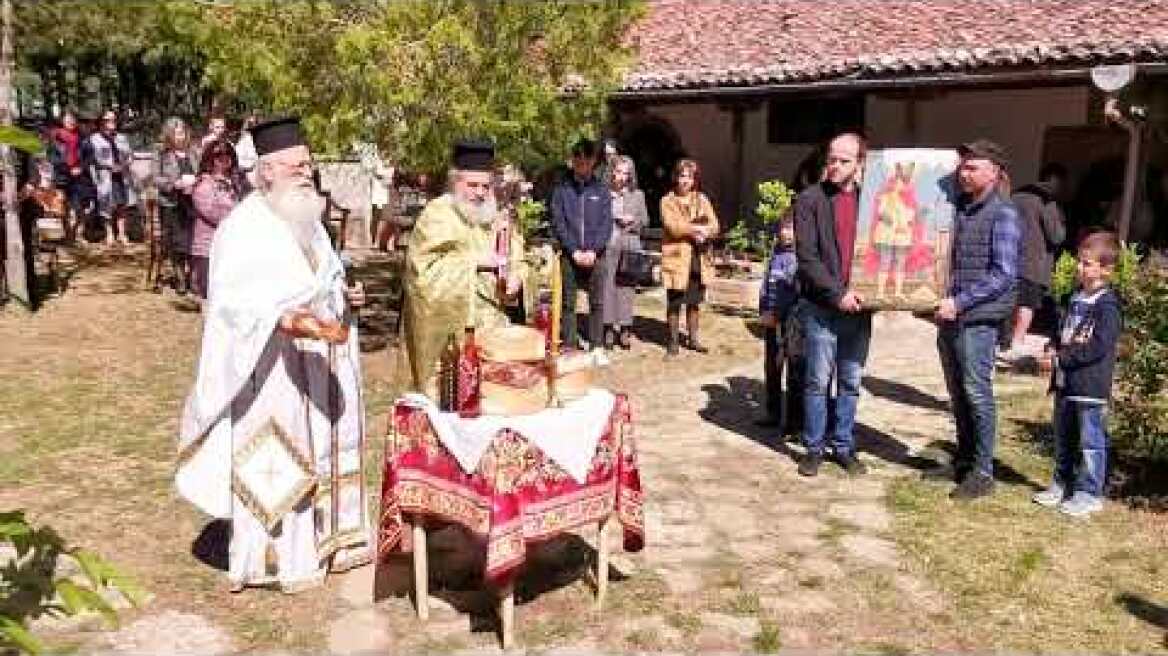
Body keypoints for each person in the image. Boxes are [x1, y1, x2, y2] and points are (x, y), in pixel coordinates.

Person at [176, 117, 371, 593]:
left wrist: (347, 296)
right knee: (280, 454)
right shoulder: (243, 228)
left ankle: (330, 541)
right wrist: (281, 318)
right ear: (266, 171)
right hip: (270, 369)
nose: (306, 173)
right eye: (295, 165)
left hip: (318, 360)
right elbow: (230, 303)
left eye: (308, 164)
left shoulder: (308, 221)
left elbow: (326, 280)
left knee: (322, 447)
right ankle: (277, 558)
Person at [934, 139, 1022, 500]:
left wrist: (959, 302)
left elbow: (1003, 274)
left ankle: (983, 472)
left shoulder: (1004, 214)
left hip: (978, 319)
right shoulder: (959, 209)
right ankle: (964, 460)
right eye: (963, 166)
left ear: (994, 172)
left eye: (973, 167)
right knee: (957, 392)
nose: (964, 173)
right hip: (950, 316)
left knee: (976, 392)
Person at [403, 140, 526, 397]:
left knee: (496, 398)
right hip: (456, 331)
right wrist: (476, 262)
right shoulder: (437, 215)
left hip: (494, 328)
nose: (480, 193)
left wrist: (517, 278)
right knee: (455, 399)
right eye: (472, 185)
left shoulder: (495, 216)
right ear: (455, 183)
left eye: (486, 186)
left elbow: (516, 258)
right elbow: (423, 274)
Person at [793, 133, 870, 477]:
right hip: (822, 306)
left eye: (844, 161)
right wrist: (838, 293)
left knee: (850, 381)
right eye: (831, 159)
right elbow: (807, 258)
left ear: (860, 164)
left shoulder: (872, 202)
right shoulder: (810, 200)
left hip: (860, 309)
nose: (835, 166)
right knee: (818, 380)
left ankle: (843, 446)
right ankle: (813, 448)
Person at [1032, 231, 1123, 518]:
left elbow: (1098, 346)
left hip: (1090, 386)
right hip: (1065, 383)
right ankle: (1062, 484)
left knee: (1090, 443)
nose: (1079, 268)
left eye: (1087, 263)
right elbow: (1062, 332)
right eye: (1079, 262)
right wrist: (1051, 347)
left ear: (1106, 269)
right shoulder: (1072, 298)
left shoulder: (1108, 306)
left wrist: (1062, 358)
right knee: (1063, 438)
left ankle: (1089, 493)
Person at [550, 138, 613, 353]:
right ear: (573, 161)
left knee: (597, 303)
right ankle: (569, 344)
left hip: (596, 255)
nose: (582, 166)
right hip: (571, 254)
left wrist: (594, 251)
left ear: (593, 161)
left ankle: (596, 345)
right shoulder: (562, 190)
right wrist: (573, 250)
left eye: (586, 161)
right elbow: (559, 223)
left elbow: (606, 224)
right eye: (578, 161)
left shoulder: (602, 191)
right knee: (568, 303)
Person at [1001, 163, 1067, 362]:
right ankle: (1017, 342)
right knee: (1027, 304)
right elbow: (1056, 236)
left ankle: (1003, 340)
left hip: (1009, 258)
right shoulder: (1046, 201)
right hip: (1033, 262)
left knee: (1010, 302)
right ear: (1055, 181)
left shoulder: (1014, 196)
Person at [660, 158, 719, 357]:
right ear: (676, 177)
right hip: (677, 259)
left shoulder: (702, 199)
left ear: (694, 180)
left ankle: (693, 340)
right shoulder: (667, 201)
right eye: (682, 176)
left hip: (698, 258)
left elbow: (715, 225)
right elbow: (673, 227)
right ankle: (673, 342)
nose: (685, 180)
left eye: (689, 177)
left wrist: (706, 231)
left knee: (694, 302)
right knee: (675, 302)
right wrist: (695, 229)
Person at [757, 213, 802, 435]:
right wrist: (764, 309)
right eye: (783, 228)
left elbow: (796, 293)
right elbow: (766, 284)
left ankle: (794, 423)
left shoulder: (801, 257)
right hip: (771, 321)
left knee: (794, 371)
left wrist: (782, 313)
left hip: (792, 322)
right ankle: (772, 412)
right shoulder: (775, 254)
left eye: (790, 228)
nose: (786, 233)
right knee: (772, 367)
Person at [600, 155, 648, 350]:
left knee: (626, 289)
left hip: (629, 246)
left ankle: (625, 329)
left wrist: (632, 221)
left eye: (626, 173)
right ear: (612, 172)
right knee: (608, 287)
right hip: (608, 245)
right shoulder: (603, 193)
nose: (621, 177)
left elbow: (645, 220)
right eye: (618, 172)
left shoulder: (637, 195)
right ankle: (608, 328)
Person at [190, 139, 240, 300]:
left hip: (231, 248)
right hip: (208, 250)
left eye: (228, 155)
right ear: (210, 159)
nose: (224, 159)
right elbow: (213, 213)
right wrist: (239, 216)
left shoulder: (236, 183)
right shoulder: (203, 184)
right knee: (210, 297)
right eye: (219, 155)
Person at [155, 117, 200, 294]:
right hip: (171, 203)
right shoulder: (161, 153)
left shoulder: (193, 152)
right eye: (176, 133)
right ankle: (179, 276)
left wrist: (196, 182)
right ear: (169, 135)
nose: (180, 137)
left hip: (192, 201)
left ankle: (193, 277)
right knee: (176, 242)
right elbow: (155, 178)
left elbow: (202, 171)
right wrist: (173, 184)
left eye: (182, 133)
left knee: (193, 240)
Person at [84, 109, 134, 246]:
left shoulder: (122, 138)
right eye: (107, 120)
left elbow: (130, 155)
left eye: (113, 120)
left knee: (122, 205)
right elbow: (92, 159)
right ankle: (109, 233)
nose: (111, 122)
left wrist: (125, 164)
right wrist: (108, 166)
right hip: (105, 176)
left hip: (122, 175)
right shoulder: (94, 139)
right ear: (101, 122)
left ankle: (122, 234)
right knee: (106, 206)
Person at [48, 110, 89, 241]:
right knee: (63, 207)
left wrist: (81, 168)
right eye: (68, 118)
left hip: (80, 176)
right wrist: (68, 169)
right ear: (62, 120)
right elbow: (52, 158)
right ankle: (68, 234)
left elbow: (89, 157)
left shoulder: (83, 137)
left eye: (73, 119)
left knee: (80, 206)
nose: (71, 121)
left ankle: (78, 233)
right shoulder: (55, 136)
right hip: (62, 176)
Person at [235, 112, 260, 192]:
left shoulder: (260, 138)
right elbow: (238, 159)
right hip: (249, 174)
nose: (253, 125)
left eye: (254, 123)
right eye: (250, 124)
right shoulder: (243, 140)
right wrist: (251, 165)